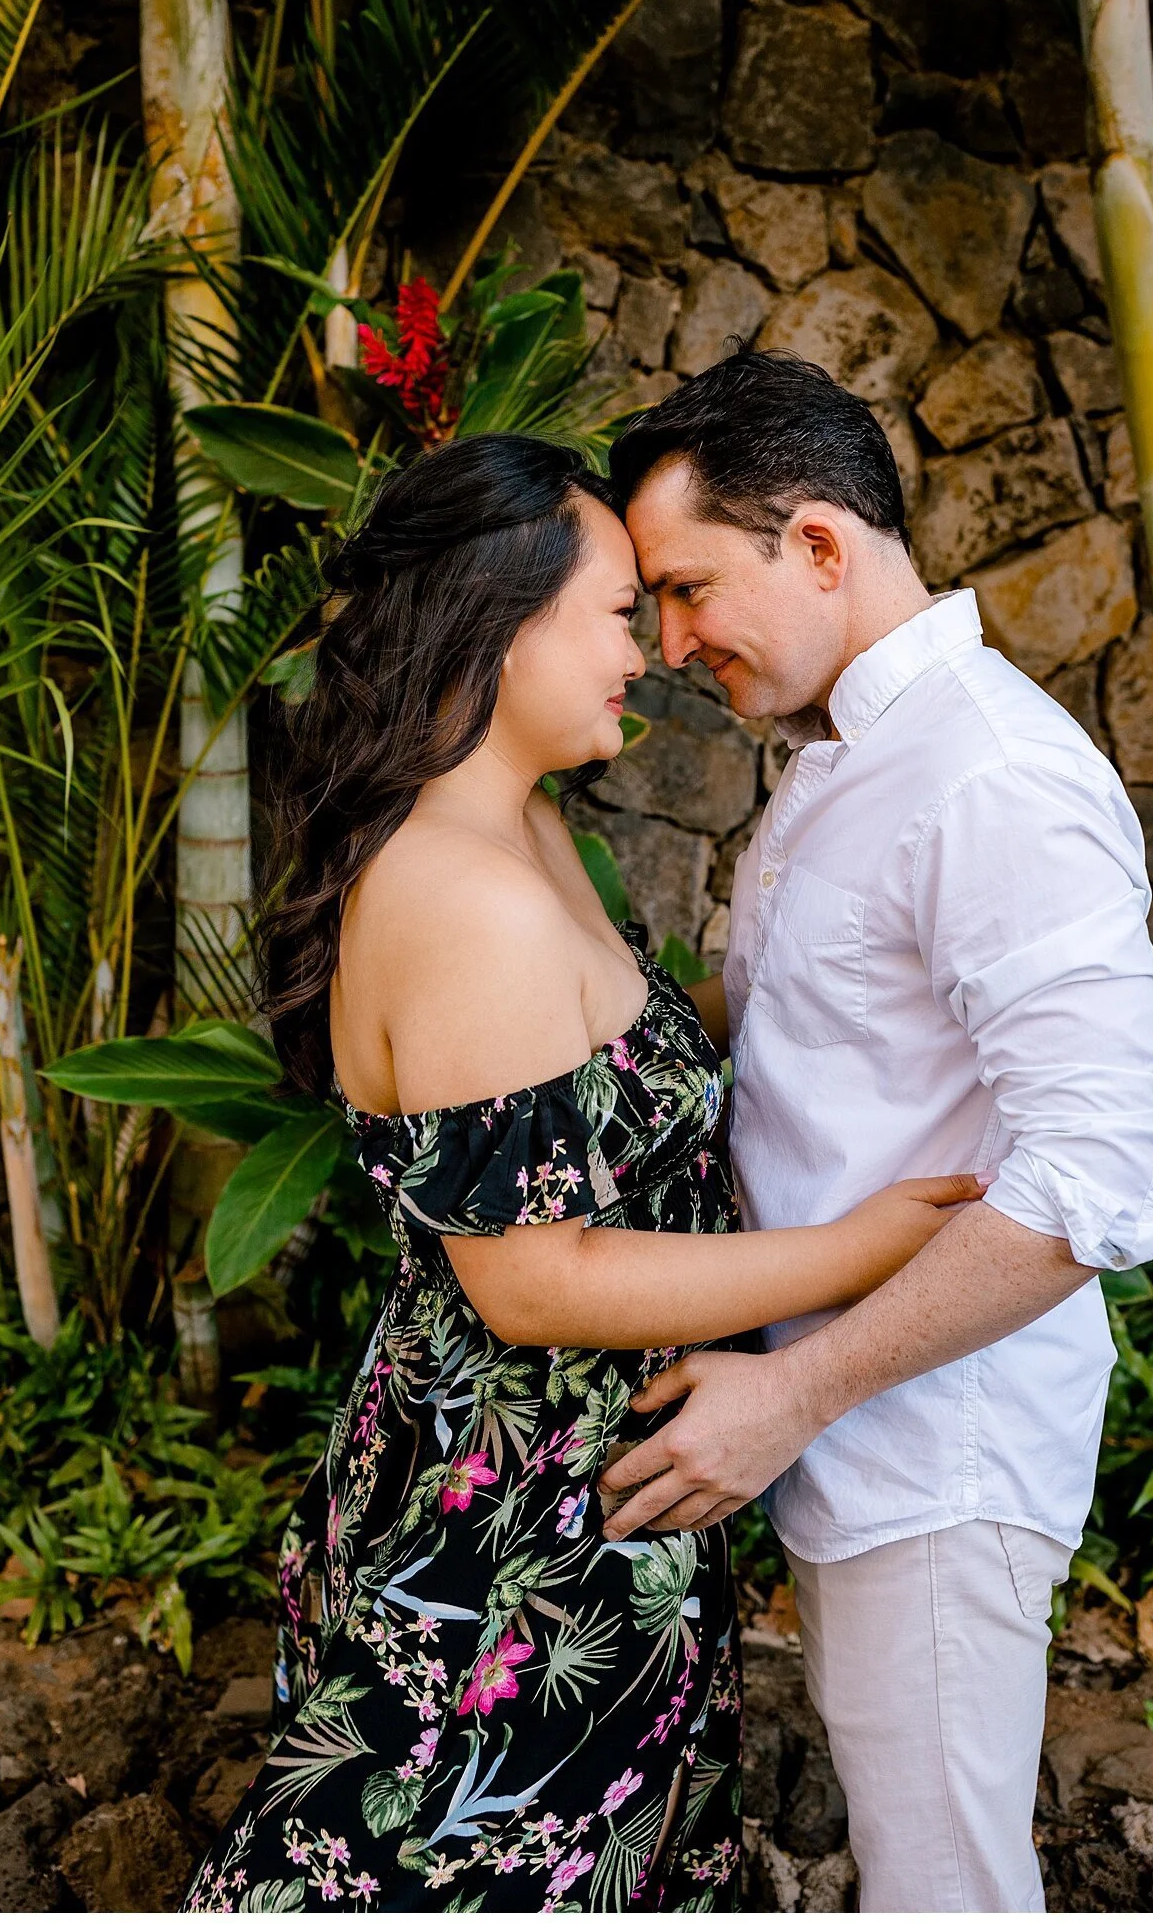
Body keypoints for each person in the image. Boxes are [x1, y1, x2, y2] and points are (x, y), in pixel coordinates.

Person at [182, 435, 981, 1915]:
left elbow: (604, 1110)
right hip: (502, 1549)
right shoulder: (461, 897)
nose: (654, 651)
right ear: (499, 623)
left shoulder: (526, 827)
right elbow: (536, 1277)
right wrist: (869, 1248)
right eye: (621, 612)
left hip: (592, 1511)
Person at [600, 349, 1153, 1914]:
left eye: (686, 587)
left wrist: (798, 1393)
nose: (666, 643)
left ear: (818, 547)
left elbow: (1101, 1176)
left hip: (933, 1449)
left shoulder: (988, 775)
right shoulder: (842, 757)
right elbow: (810, 1048)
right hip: (852, 1436)